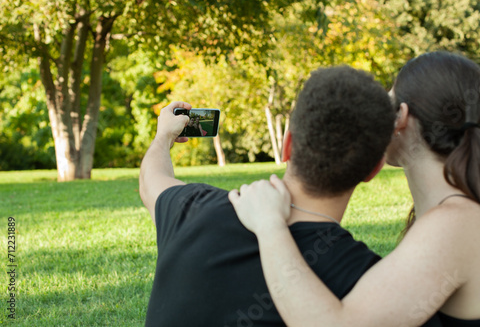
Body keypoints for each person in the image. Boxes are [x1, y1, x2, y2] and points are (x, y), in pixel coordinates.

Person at [139, 66, 434, 326]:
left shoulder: (192, 208)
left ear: (287, 144)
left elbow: (151, 180)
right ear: (373, 170)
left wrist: (163, 136)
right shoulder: (366, 281)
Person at [229, 51, 480, 326]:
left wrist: (269, 226)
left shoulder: (455, 224)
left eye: (388, 103)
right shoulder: (456, 213)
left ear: (401, 117)